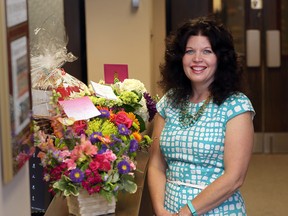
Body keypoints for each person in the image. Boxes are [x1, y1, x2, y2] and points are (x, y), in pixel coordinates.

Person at [147, 16, 255, 216]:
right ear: (180, 58)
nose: (197, 59)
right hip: (169, 210)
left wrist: (187, 211)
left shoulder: (236, 106)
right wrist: (160, 210)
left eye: (207, 51)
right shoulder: (169, 101)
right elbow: (155, 164)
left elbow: (235, 177)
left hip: (218, 210)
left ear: (220, 58)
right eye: (190, 51)